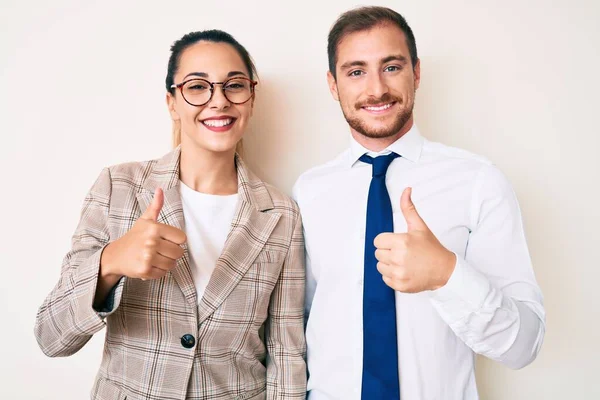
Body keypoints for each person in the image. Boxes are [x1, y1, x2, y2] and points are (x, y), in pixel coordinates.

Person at [34, 29, 306, 400]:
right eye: (197, 87)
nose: (219, 101)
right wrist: (111, 262)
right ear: (172, 102)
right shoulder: (118, 187)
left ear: (251, 98)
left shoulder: (281, 215)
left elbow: (287, 354)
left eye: (235, 85)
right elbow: (52, 337)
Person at [293, 6, 545, 400]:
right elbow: (294, 328)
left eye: (391, 67)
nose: (376, 89)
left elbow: (523, 346)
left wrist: (447, 274)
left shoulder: (479, 182)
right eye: (356, 71)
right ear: (332, 83)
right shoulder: (307, 192)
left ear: (417, 72)